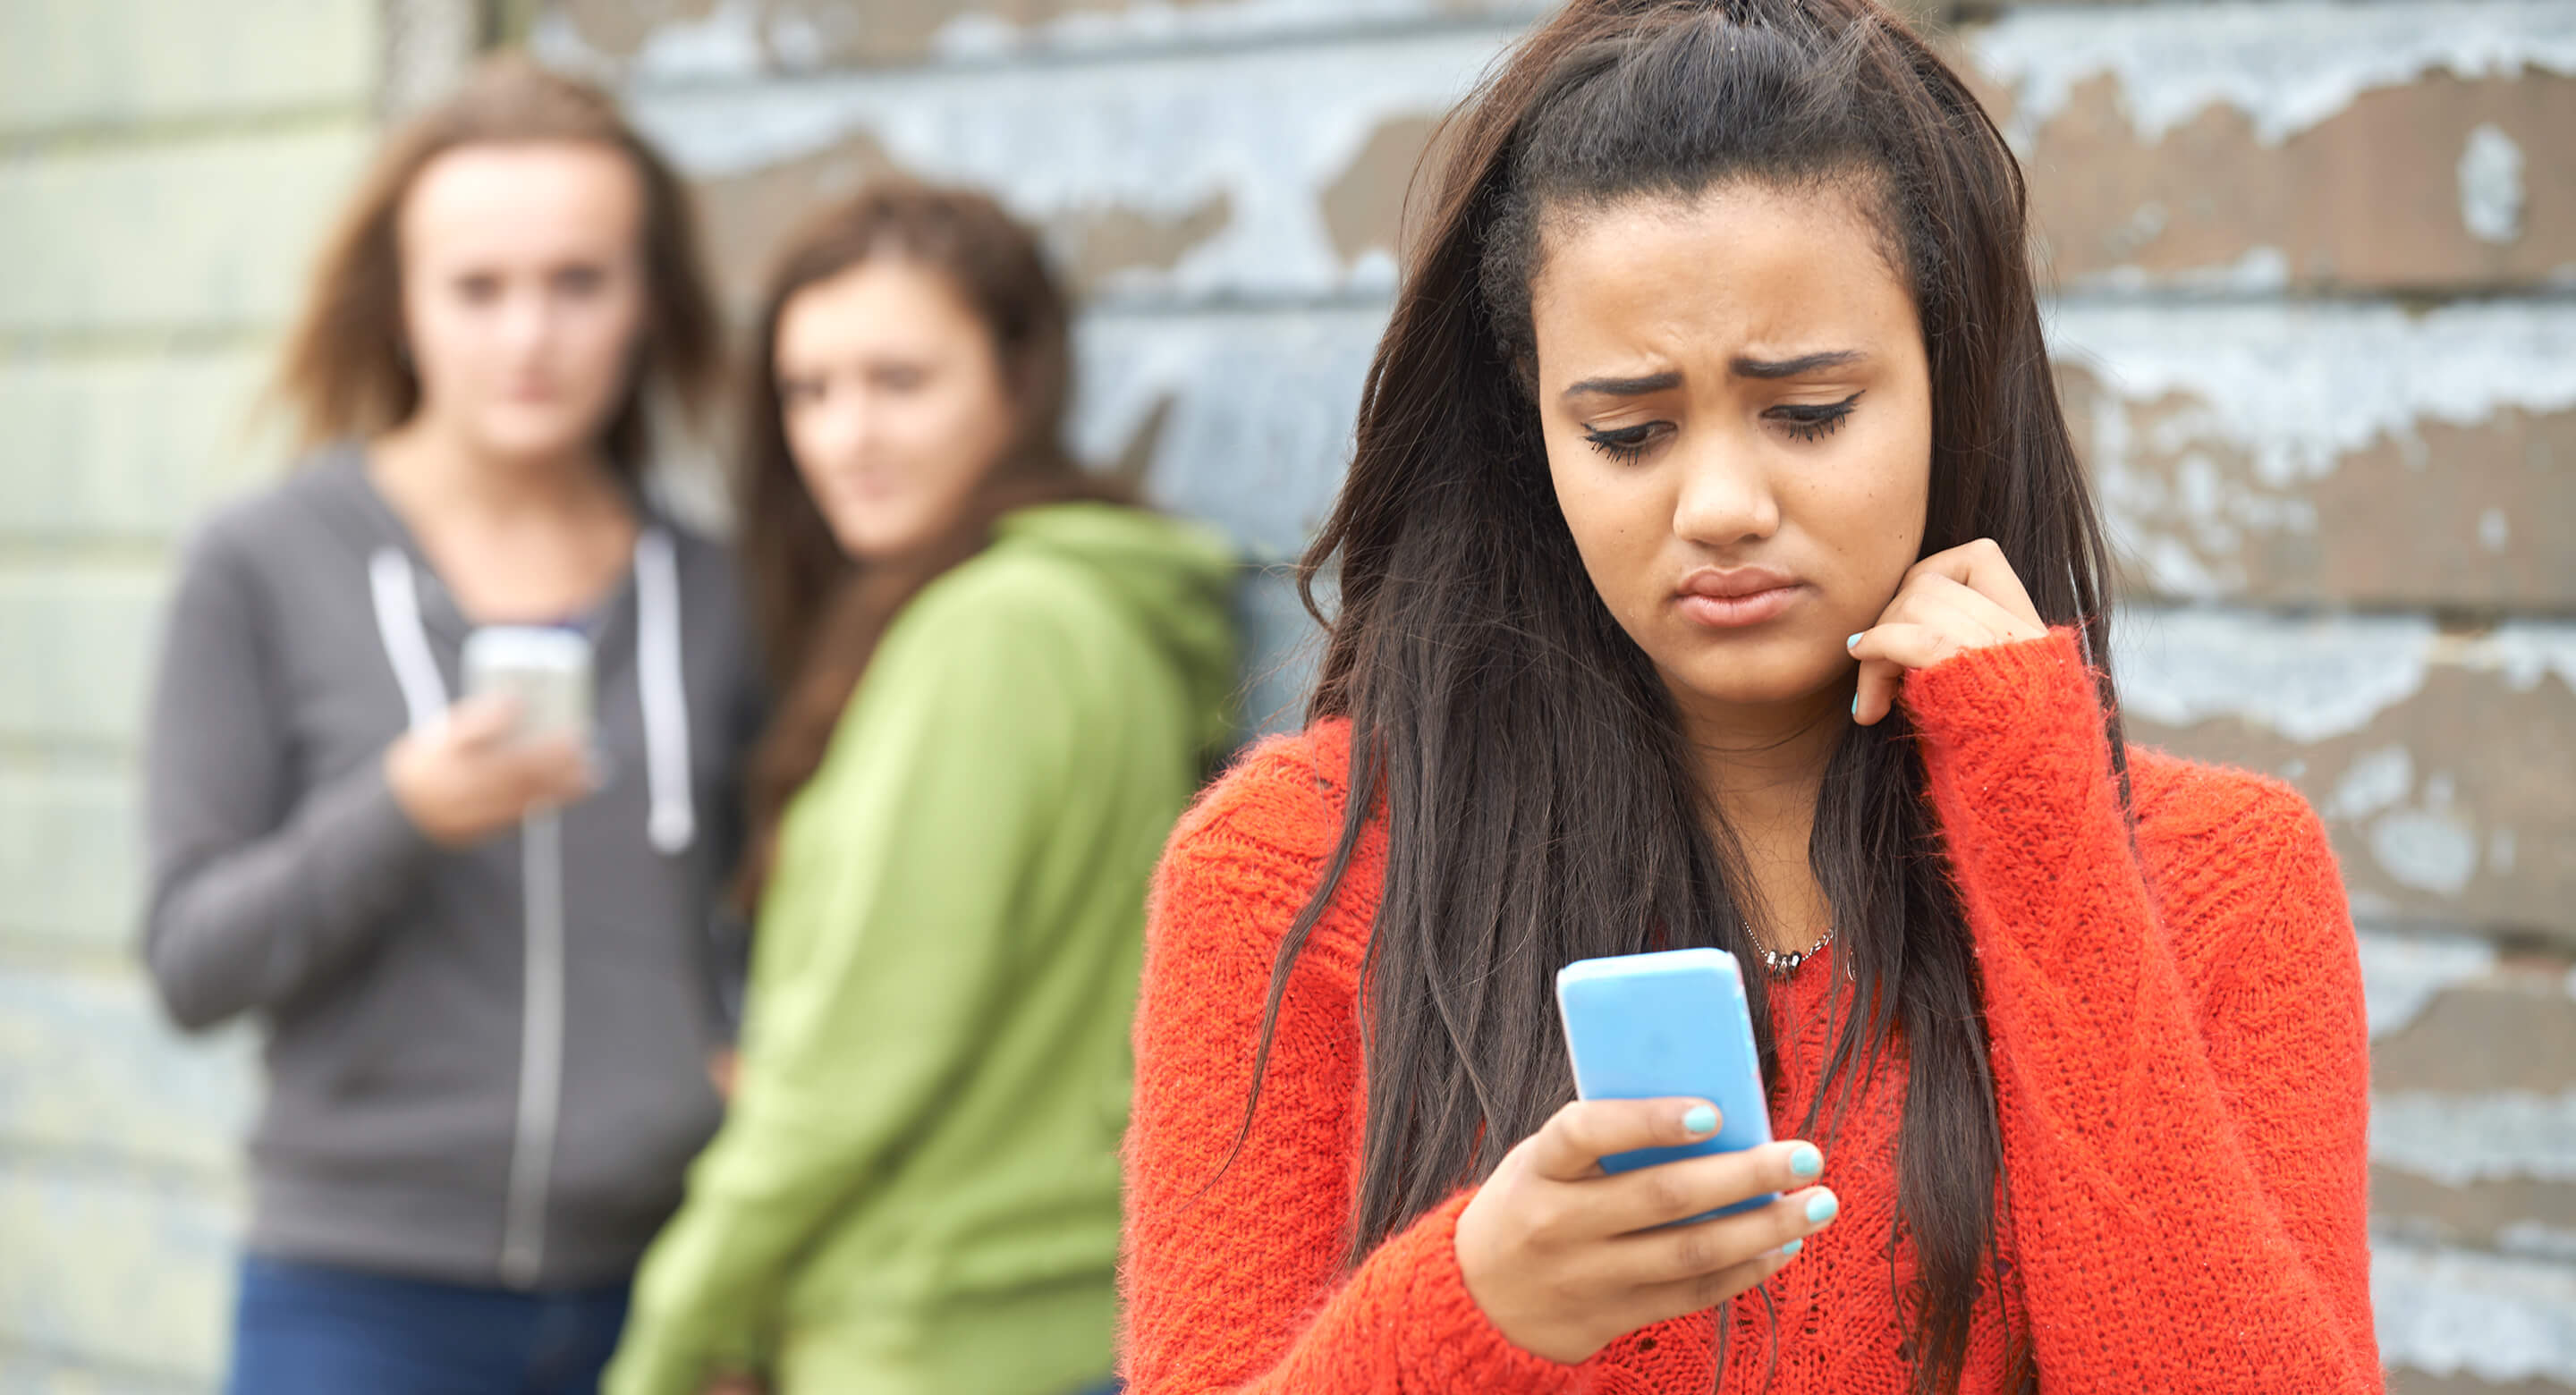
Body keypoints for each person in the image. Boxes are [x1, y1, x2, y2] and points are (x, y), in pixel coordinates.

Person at [1118, 2, 2379, 1392]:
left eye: (1808, 412)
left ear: (1952, 385)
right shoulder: (1293, 873)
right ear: (1533, 432)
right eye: (1628, 433)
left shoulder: (2219, 881)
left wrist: (2046, 837)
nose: (1720, 504)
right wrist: (1472, 1313)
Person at [140, 57, 762, 1395]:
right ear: (402, 306)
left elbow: (775, 933)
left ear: (648, 302)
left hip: (662, 1293)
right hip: (359, 1301)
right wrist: (400, 813)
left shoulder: (719, 590)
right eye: (477, 288)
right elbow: (191, 961)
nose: (528, 336)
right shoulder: (261, 565)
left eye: (578, 282)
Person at [605, 183, 1239, 1395]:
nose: (847, 437)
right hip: (1051, 1320)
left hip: (937, 1334)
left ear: (1018, 381)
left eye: (899, 382)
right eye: (809, 392)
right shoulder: (1086, 603)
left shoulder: (991, 635)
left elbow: (854, 1066)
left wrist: (673, 1338)